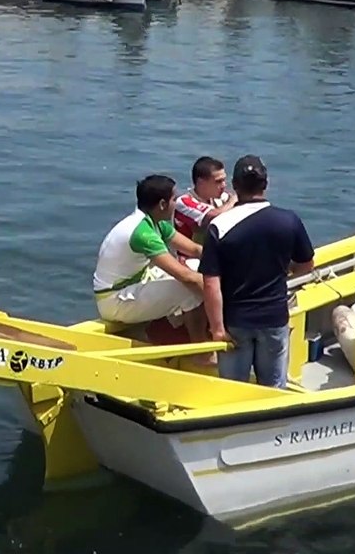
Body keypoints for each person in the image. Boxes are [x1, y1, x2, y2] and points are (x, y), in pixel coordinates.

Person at [202, 155, 315, 389]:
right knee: (273, 389)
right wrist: (285, 271)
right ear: (266, 183)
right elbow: (306, 264)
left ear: (235, 186)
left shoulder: (219, 226)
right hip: (274, 317)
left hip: (235, 321)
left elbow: (211, 283)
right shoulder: (289, 220)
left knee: (233, 390)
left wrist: (217, 329)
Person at [93, 175, 209, 350]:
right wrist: (224, 297)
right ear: (162, 204)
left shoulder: (155, 223)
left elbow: (195, 250)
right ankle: (202, 352)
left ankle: (178, 330)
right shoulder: (142, 232)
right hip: (114, 301)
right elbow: (185, 277)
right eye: (174, 199)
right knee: (188, 288)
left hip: (134, 284)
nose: (176, 204)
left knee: (195, 266)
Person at [174, 156, 238, 246]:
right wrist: (232, 201)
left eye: (224, 180)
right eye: (218, 181)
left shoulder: (221, 198)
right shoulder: (184, 201)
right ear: (201, 182)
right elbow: (211, 216)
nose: (224, 185)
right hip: (192, 253)